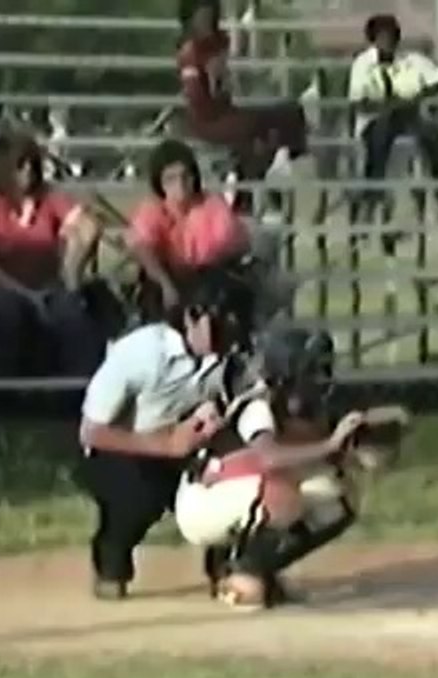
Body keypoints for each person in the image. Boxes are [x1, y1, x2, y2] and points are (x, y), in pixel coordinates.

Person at [77, 279, 248, 600]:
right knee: (141, 499)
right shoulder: (141, 352)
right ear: (191, 318)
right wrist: (167, 445)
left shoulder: (227, 355)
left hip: (185, 439)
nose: (231, 331)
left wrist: (213, 416)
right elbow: (93, 432)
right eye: (221, 322)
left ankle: (231, 569)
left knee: (236, 479)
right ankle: (111, 564)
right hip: (119, 447)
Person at [174, 327, 366, 609]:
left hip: (236, 493)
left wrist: (352, 448)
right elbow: (269, 458)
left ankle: (259, 567)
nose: (320, 377)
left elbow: (308, 452)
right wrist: (330, 445)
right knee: (281, 493)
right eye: (311, 369)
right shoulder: (258, 404)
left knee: (336, 497)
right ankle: (236, 571)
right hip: (202, 501)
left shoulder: (292, 405)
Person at [0, 131, 112, 377]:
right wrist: (29, 295)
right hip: (4, 289)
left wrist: (71, 273)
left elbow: (89, 226)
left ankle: (77, 394)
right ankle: (8, 394)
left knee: (74, 316)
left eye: (32, 163)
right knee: (6, 314)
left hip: (47, 286)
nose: (28, 170)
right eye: (20, 164)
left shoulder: (49, 197)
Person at [177, 0, 308, 183]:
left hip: (226, 111)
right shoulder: (190, 53)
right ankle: (251, 181)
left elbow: (232, 78)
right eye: (201, 18)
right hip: (209, 120)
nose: (205, 23)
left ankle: (279, 162)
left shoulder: (219, 43)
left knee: (290, 111)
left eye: (208, 17)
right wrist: (213, 81)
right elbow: (199, 100)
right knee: (255, 126)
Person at [127, 138, 250, 314]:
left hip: (206, 279)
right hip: (167, 278)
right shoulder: (153, 209)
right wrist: (165, 284)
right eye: (171, 179)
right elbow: (142, 247)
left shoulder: (212, 205)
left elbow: (234, 242)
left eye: (186, 176)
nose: (180, 184)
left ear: (194, 177)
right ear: (160, 183)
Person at [348, 14, 438, 189]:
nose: (388, 42)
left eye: (391, 37)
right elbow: (358, 102)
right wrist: (387, 106)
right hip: (375, 120)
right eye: (382, 38)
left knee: (434, 133)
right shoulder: (363, 64)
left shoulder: (412, 61)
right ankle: (373, 185)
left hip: (409, 118)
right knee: (383, 128)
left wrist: (422, 95)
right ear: (373, 40)